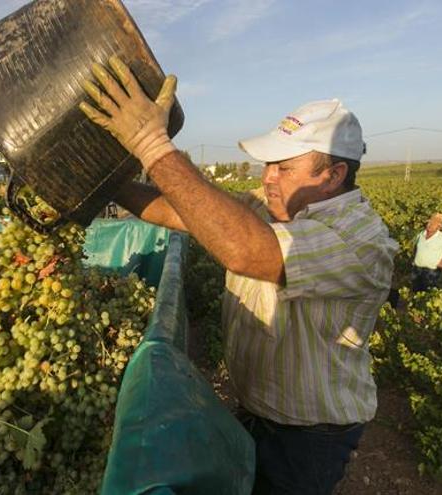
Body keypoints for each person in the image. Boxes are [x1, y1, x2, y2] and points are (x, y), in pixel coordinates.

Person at [79, 55, 398, 495]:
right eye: (267, 165)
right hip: (258, 409)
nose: (268, 179)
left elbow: (246, 252)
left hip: (308, 436)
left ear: (333, 175)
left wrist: (150, 142)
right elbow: (181, 211)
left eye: (283, 167)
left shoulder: (359, 241)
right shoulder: (266, 209)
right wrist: (107, 185)